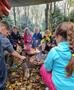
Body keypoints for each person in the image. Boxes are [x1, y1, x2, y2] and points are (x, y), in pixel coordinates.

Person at [40, 22, 74, 90]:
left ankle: (50, 87)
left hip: (59, 87)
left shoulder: (54, 51)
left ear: (59, 36)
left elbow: (48, 68)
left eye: (55, 37)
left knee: (43, 68)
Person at [0, 20, 26, 90]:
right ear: (3, 28)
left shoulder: (15, 34)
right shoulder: (4, 39)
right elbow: (13, 52)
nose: (7, 34)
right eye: (7, 32)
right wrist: (21, 57)